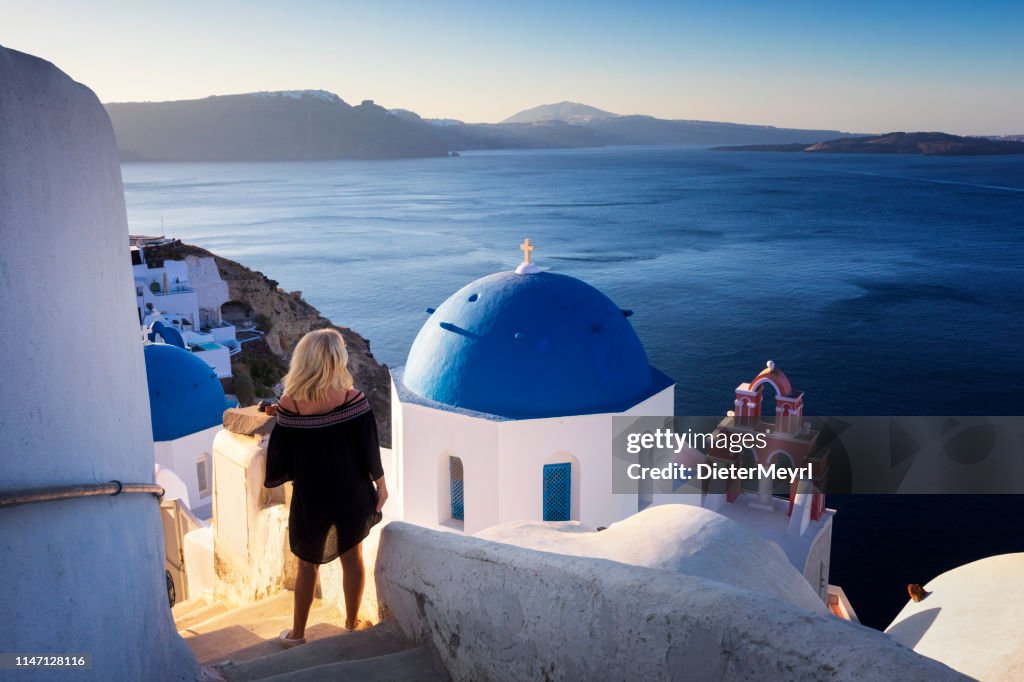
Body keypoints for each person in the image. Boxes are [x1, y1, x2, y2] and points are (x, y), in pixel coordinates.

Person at [263, 329, 387, 647]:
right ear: (336, 360)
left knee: (307, 564)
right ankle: (351, 622)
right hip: (352, 492)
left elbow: (283, 455)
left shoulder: (291, 404)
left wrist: (285, 417)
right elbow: (369, 447)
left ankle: (297, 634)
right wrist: (381, 486)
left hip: (312, 496)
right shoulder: (353, 399)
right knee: (353, 557)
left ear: (304, 360)